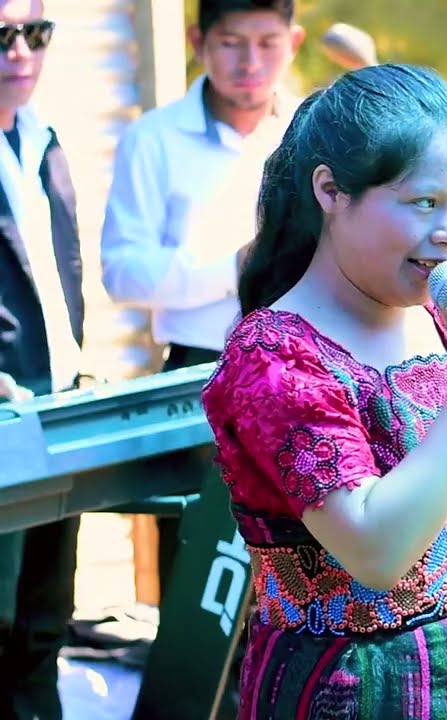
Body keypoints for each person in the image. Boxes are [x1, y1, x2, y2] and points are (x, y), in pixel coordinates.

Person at [200, 64, 447, 716]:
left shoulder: (437, 321)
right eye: (423, 202)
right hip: (350, 687)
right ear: (330, 190)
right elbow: (376, 549)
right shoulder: (274, 358)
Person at [99, 0, 303, 599]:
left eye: (267, 43)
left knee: (297, 558)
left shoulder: (313, 134)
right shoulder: (153, 139)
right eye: (232, 42)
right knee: (196, 573)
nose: (250, 62)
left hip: (302, 371)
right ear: (198, 41)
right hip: (198, 372)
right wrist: (232, 269)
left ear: (294, 41)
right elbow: (122, 272)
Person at [0, 2, 86, 716]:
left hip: (57, 409)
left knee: (44, 618)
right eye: (1, 36)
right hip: (3, 421)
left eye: (35, 34)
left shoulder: (43, 138)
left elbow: (59, 278)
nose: (20, 51)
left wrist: (77, 364)